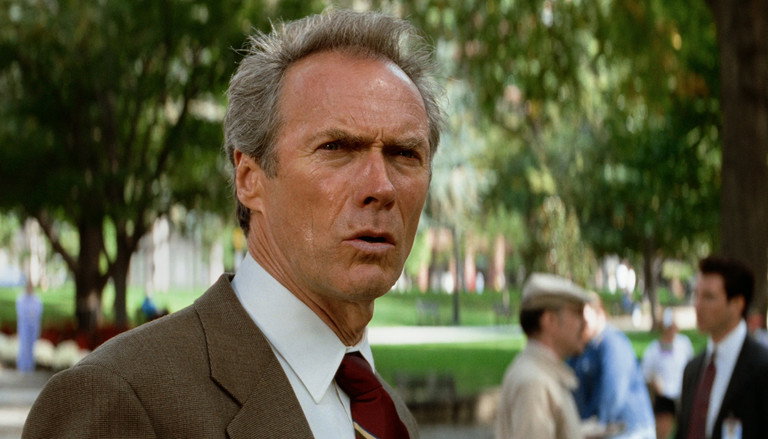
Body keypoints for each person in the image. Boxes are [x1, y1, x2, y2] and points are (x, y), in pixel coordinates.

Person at [23, 9, 444, 439]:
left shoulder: (388, 415)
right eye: (336, 148)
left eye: (404, 154)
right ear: (249, 179)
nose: (381, 186)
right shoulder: (119, 399)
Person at [676, 256, 768, 439]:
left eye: (709, 297)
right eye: (696, 295)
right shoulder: (692, 370)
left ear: (737, 303)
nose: (697, 305)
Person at [495, 273, 594, 439]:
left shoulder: (541, 374)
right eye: (577, 313)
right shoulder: (535, 383)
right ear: (550, 320)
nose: (585, 323)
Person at [567, 293, 655, 439]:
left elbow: (614, 393)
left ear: (600, 314)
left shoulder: (612, 343)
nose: (580, 323)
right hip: (603, 430)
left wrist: (591, 427)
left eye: (584, 318)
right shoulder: (584, 346)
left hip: (629, 431)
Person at [641, 308, 694, 439]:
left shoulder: (684, 343)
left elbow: (692, 365)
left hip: (683, 394)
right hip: (664, 397)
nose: (672, 329)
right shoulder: (653, 349)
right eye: (669, 326)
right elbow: (646, 374)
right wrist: (654, 383)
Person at [16, 279, 43, 372]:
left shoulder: (36, 299)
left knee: (31, 346)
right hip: (24, 325)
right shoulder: (21, 299)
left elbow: (38, 311)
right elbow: (21, 312)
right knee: (24, 345)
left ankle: (30, 366)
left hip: (33, 325)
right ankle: (22, 366)